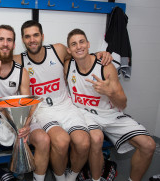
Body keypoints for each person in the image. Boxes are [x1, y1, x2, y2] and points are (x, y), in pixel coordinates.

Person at [0, 20, 112, 181]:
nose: (32, 39)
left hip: (63, 107)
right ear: (22, 40)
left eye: (35, 35)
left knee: (82, 142)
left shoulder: (57, 50)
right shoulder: (16, 61)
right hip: (34, 112)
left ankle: (69, 177)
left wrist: (99, 54)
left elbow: (79, 53)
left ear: (42, 36)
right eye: (27, 36)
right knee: (61, 142)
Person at [65, 28, 156, 181]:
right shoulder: (68, 66)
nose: (78, 46)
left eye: (81, 42)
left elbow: (123, 103)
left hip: (110, 114)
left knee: (148, 145)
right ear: (69, 49)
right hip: (85, 114)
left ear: (88, 44)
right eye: (73, 44)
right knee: (97, 138)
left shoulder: (105, 66)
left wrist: (110, 92)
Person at [0, 24, 50, 181]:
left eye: (9, 40)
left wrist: (26, 126)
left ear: (14, 44)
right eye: (1, 39)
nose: (5, 43)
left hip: (16, 118)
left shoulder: (22, 71)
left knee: (44, 139)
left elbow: (28, 104)